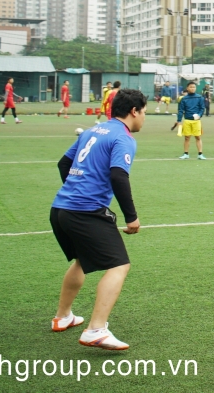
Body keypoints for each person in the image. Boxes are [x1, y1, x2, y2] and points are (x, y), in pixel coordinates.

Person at [50, 88, 148, 351]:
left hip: (61, 209)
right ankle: (96, 329)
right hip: (85, 212)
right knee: (119, 266)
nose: (144, 118)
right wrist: (132, 218)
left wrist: (75, 190)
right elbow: (118, 176)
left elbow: (63, 164)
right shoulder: (123, 138)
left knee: (82, 261)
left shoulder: (92, 131)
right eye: (144, 112)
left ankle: (63, 317)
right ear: (134, 111)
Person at [175, 81, 207, 160]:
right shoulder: (184, 99)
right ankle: (186, 154)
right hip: (187, 120)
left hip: (196, 121)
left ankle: (200, 154)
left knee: (198, 137)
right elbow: (180, 110)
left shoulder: (199, 97)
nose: (193, 88)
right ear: (187, 88)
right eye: (191, 87)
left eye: (194, 87)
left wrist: (199, 115)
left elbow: (202, 108)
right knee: (187, 137)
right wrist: (179, 120)